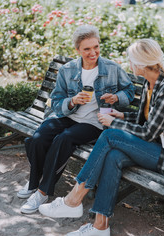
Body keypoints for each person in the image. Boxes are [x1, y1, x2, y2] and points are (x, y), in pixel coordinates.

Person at [38, 39, 164, 236]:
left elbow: (148, 133)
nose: (129, 63)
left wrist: (113, 123)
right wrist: (121, 115)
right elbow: (147, 120)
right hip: (153, 147)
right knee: (113, 156)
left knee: (110, 134)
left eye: (131, 59)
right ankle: (100, 226)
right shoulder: (150, 83)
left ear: (141, 63)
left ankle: (73, 200)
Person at [18, 25, 135, 214]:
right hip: (68, 116)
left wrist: (116, 98)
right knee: (38, 137)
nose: (93, 52)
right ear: (77, 50)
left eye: (96, 47)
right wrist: (72, 101)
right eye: (87, 49)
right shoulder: (67, 70)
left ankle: (42, 191)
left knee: (63, 139)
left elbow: (129, 91)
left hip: (95, 122)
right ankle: (33, 184)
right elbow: (56, 102)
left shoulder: (112, 68)